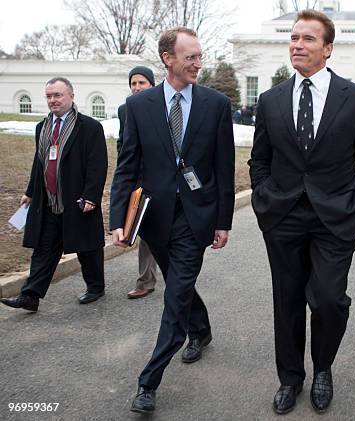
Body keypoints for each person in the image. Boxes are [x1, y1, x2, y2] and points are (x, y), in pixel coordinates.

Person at [249, 10, 355, 415]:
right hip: (283, 216)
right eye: (293, 38)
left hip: (336, 218)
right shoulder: (270, 100)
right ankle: (291, 378)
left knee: (327, 300)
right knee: (287, 301)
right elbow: (260, 160)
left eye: (308, 39)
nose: (297, 45)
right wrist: (263, 197)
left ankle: (322, 367)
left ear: (327, 48)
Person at [109, 27, 235, 413]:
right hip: (155, 219)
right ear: (168, 59)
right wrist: (119, 219)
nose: (199, 63)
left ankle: (148, 382)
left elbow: (223, 167)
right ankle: (201, 329)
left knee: (174, 295)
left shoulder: (215, 104)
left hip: (195, 219)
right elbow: (127, 167)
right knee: (180, 286)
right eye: (191, 57)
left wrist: (223, 220)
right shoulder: (138, 106)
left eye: (200, 56)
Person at [1, 77, 108, 312]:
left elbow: (97, 164)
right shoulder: (42, 127)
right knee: (44, 248)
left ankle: (95, 287)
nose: (53, 100)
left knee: (87, 247)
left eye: (57, 95)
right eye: (49, 96)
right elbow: (38, 163)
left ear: (71, 95)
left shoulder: (89, 127)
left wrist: (91, 195)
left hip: (77, 199)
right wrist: (30, 192)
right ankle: (30, 295)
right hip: (48, 201)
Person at [117, 66, 160, 300]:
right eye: (133, 83)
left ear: (151, 85)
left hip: (161, 180)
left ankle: (170, 270)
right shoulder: (125, 110)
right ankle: (146, 280)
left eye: (141, 83)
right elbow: (123, 146)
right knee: (144, 229)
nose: (136, 87)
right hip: (137, 181)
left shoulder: (163, 107)